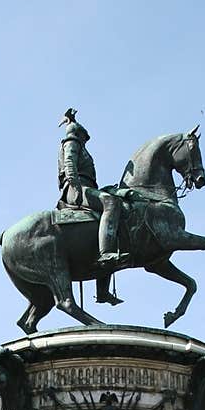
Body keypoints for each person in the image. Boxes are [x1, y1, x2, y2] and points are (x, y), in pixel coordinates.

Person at [57, 109, 125, 304]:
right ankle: (106, 253)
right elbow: (70, 163)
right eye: (84, 137)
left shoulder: (78, 144)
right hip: (75, 188)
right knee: (110, 202)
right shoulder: (72, 143)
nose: (85, 140)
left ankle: (102, 291)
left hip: (85, 186)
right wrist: (75, 185)